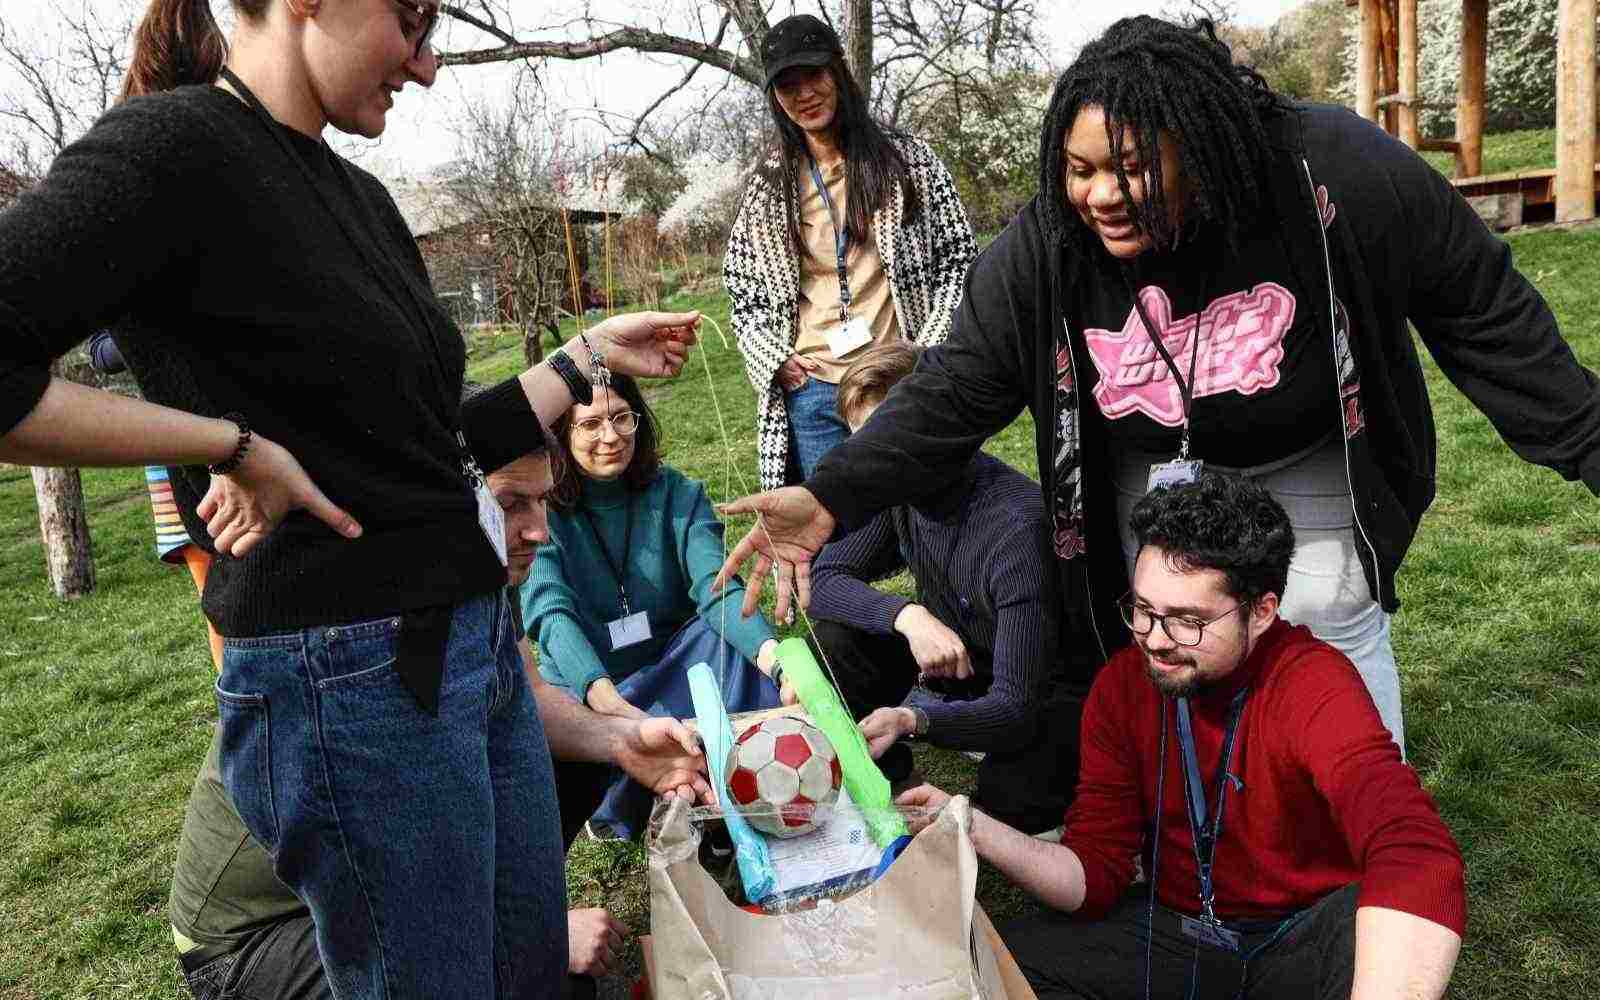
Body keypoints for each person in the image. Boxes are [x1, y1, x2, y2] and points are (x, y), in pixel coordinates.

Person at [0, 0, 698, 993]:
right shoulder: (175, 148)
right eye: (410, 21)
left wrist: (585, 356)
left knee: (528, 974)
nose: (426, 67)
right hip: (348, 683)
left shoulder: (359, 200)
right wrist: (223, 445)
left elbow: (425, 446)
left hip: (471, 651)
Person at [716, 16, 1600, 756]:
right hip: (1151, 461)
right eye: (1078, 168)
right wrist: (833, 495)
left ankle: (1366, 826)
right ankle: (1209, 828)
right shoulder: (1047, 245)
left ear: (1204, 147)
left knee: (1323, 612)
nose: (1099, 195)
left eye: (1130, 167)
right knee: (1170, 637)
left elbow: (1487, 314)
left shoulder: (1337, 174)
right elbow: (956, 386)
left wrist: (1587, 441)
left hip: (1302, 448)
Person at [170, 442, 712, 1000]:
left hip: (380, 868)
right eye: (510, 504)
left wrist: (623, 742)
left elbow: (523, 697)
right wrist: (529, 936)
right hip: (256, 943)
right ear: (447, 501)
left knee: (576, 768)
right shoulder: (376, 628)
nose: (538, 531)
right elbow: (402, 843)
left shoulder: (473, 578)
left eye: (543, 501)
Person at [901, 475, 1466, 999]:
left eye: (1187, 621)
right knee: (989, 961)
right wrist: (971, 824)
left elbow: (1415, 852)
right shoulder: (1124, 684)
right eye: (1143, 610)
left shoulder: (1314, 684)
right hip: (1181, 930)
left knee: (1365, 921)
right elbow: (1093, 874)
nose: (1154, 639)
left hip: (1303, 935)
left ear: (1262, 610)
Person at [806, 342, 1076, 832]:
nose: (866, 463)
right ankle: (882, 773)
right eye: (859, 446)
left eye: (880, 444)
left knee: (1007, 807)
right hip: (961, 665)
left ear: (935, 429)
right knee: (832, 639)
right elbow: (823, 581)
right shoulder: (898, 491)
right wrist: (907, 615)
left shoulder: (1015, 526)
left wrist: (915, 719)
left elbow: (1017, 704)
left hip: (1035, 689)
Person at [521, 374, 785, 840]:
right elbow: (550, 614)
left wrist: (777, 662)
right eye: (590, 424)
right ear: (562, 435)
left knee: (726, 644)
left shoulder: (679, 495)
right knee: (561, 708)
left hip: (671, 666)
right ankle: (638, 790)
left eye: (622, 417)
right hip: (593, 686)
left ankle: (739, 768)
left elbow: (716, 588)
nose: (611, 436)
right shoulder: (545, 511)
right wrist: (610, 702)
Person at [725, 13, 977, 489]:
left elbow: (958, 260)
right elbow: (742, 290)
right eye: (787, 85)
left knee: (930, 527)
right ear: (776, 98)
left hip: (899, 379)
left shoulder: (909, 164)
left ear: (838, 71)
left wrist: (926, 349)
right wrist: (774, 360)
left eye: (814, 75)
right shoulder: (767, 187)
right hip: (814, 389)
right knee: (834, 539)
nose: (805, 94)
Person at [87, 330, 225, 667]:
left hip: (246, 421)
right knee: (215, 591)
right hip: (171, 442)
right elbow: (100, 353)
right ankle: (236, 703)